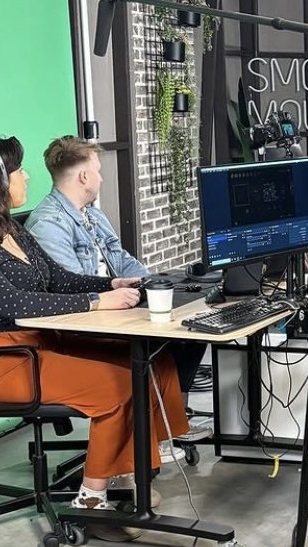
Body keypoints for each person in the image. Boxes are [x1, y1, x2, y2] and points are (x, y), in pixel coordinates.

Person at [0, 137, 190, 531]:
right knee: (116, 385)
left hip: (38, 341)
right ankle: (91, 498)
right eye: (19, 171)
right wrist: (95, 302)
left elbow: (55, 278)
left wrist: (107, 284)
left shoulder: (9, 229)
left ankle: (131, 472)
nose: (26, 176)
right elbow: (14, 303)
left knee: (150, 359)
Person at [25, 136, 208, 452]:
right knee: (173, 338)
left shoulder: (91, 215)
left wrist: (154, 284)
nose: (101, 178)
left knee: (194, 326)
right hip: (88, 321)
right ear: (84, 176)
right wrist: (115, 298)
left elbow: (121, 258)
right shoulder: (47, 224)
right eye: (97, 170)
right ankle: (157, 426)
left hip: (115, 302)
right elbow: (68, 285)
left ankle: (167, 419)